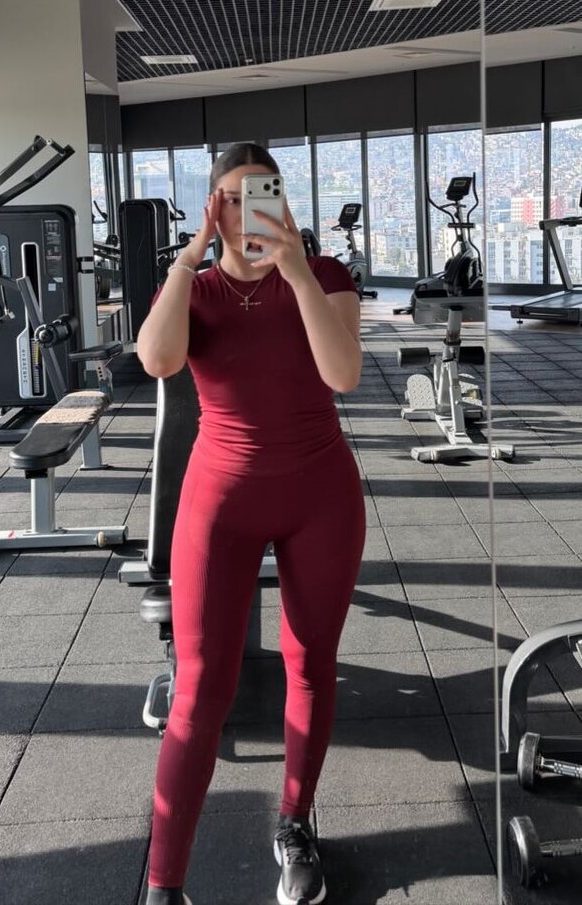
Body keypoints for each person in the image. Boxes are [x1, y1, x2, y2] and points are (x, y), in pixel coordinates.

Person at [137, 143, 366, 905]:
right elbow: (156, 359)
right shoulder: (195, 290)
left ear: (283, 199)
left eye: (261, 194)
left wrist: (295, 270)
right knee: (202, 688)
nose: (246, 212)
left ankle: (294, 824)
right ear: (212, 207)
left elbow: (342, 373)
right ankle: (164, 885)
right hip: (221, 499)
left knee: (311, 663)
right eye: (231, 199)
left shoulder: (325, 276)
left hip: (320, 497)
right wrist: (187, 258)